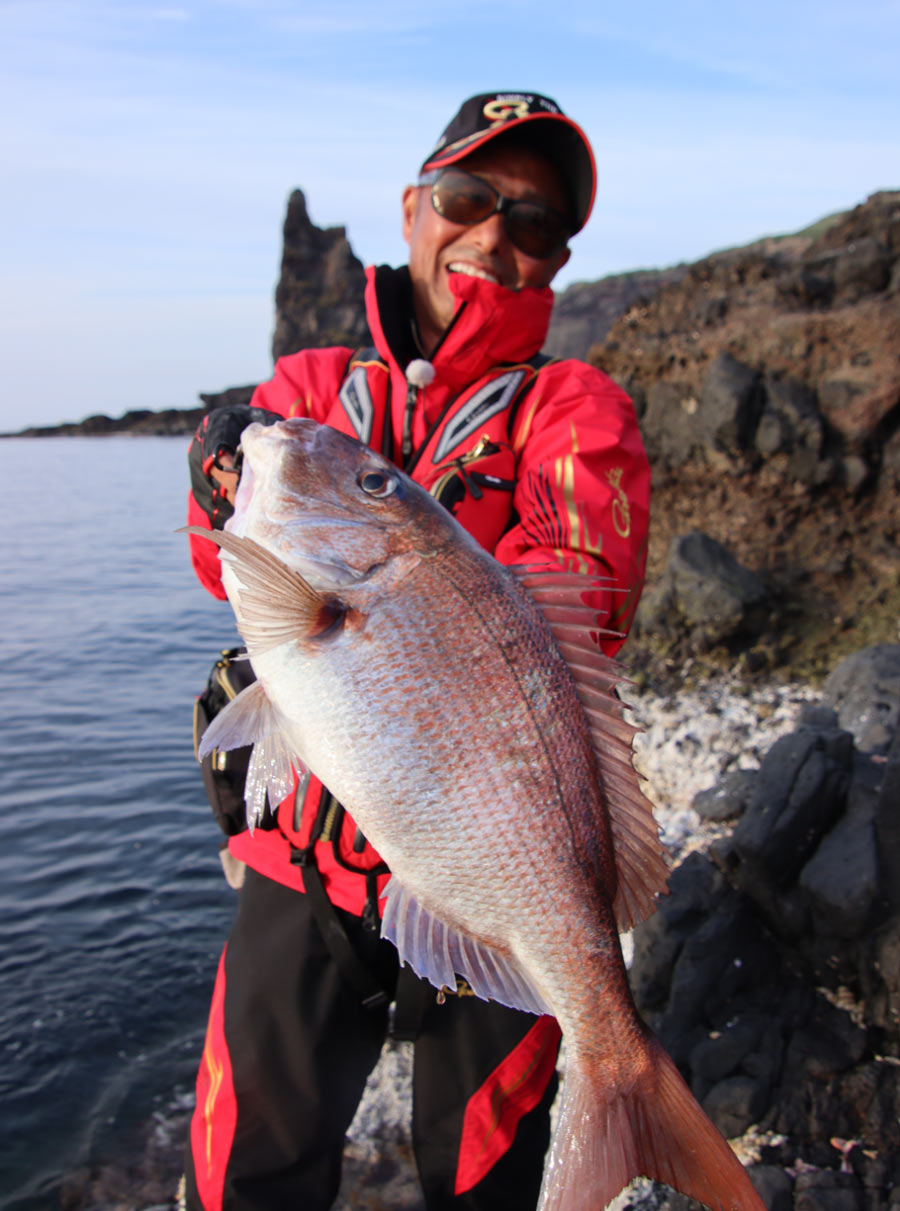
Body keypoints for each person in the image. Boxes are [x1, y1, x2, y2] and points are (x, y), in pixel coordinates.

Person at [183, 90, 651, 1211]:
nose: (493, 233)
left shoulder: (576, 407)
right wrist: (218, 482)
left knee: (485, 1184)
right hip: (307, 858)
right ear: (412, 209)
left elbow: (588, 592)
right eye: (469, 198)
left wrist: (421, 592)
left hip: (492, 866)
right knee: (243, 1173)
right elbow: (223, 561)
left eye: (534, 222)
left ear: (558, 258)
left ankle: (626, 1085)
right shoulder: (306, 391)